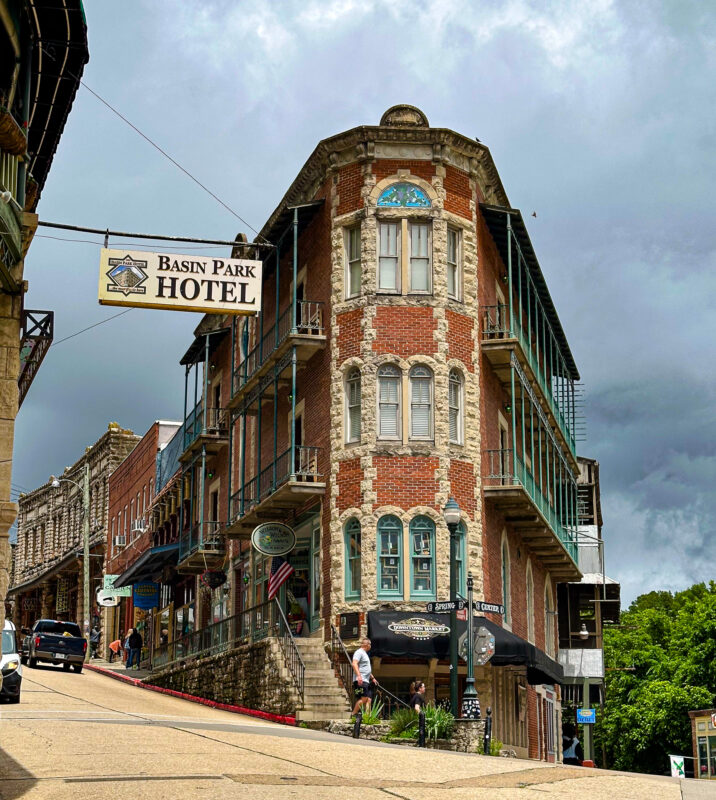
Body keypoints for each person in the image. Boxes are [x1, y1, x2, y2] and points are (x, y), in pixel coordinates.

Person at [351, 637, 377, 716]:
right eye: (370, 644)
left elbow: (365, 668)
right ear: (366, 645)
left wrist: (372, 678)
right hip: (360, 680)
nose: (370, 646)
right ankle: (353, 714)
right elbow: (354, 663)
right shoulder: (359, 652)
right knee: (364, 698)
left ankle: (367, 718)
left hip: (366, 680)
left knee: (369, 699)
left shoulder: (365, 654)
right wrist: (359, 676)